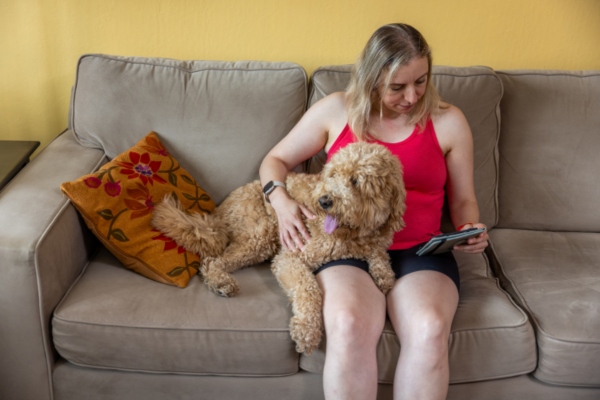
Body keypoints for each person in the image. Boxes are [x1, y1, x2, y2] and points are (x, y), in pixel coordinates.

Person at [259, 23, 489, 400]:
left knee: (430, 327)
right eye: (397, 86)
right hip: (346, 247)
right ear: (370, 78)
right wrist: (281, 202)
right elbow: (276, 160)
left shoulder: (449, 121)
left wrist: (469, 227)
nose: (411, 96)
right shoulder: (337, 110)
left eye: (421, 81)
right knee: (348, 323)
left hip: (420, 251)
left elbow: (463, 200)